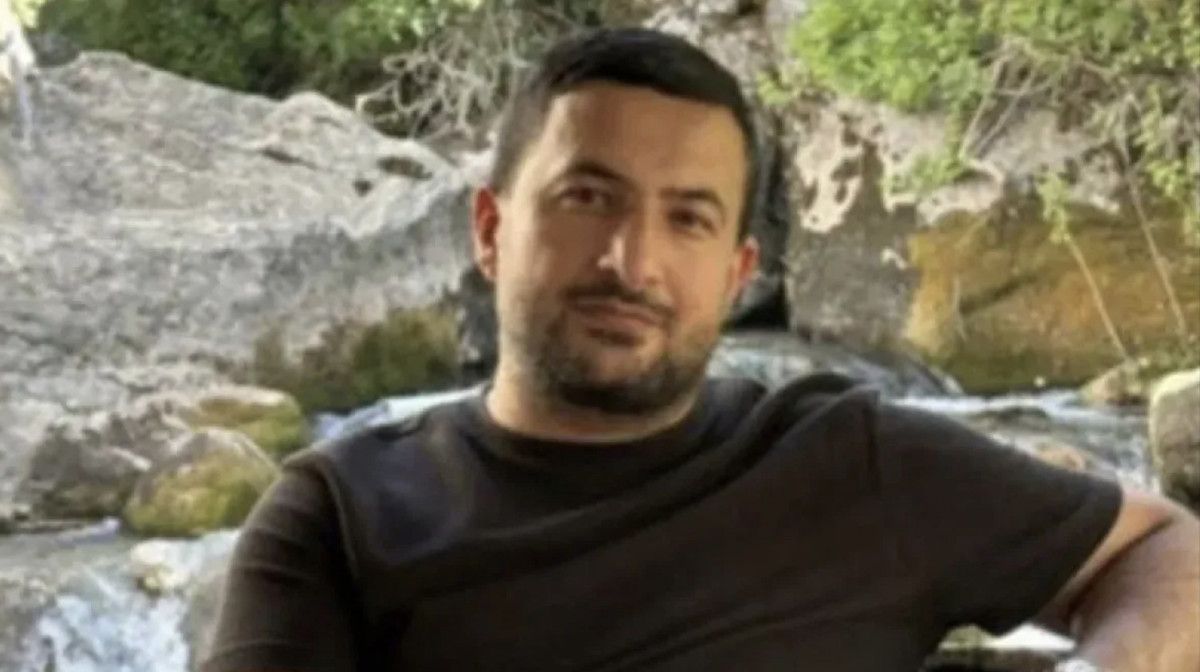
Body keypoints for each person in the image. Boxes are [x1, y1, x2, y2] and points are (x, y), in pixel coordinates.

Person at [201, 27, 1199, 672]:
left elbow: (1167, 552)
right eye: (587, 198)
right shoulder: (340, 518)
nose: (631, 261)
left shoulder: (852, 461)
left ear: (737, 272)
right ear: (492, 228)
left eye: (688, 219)